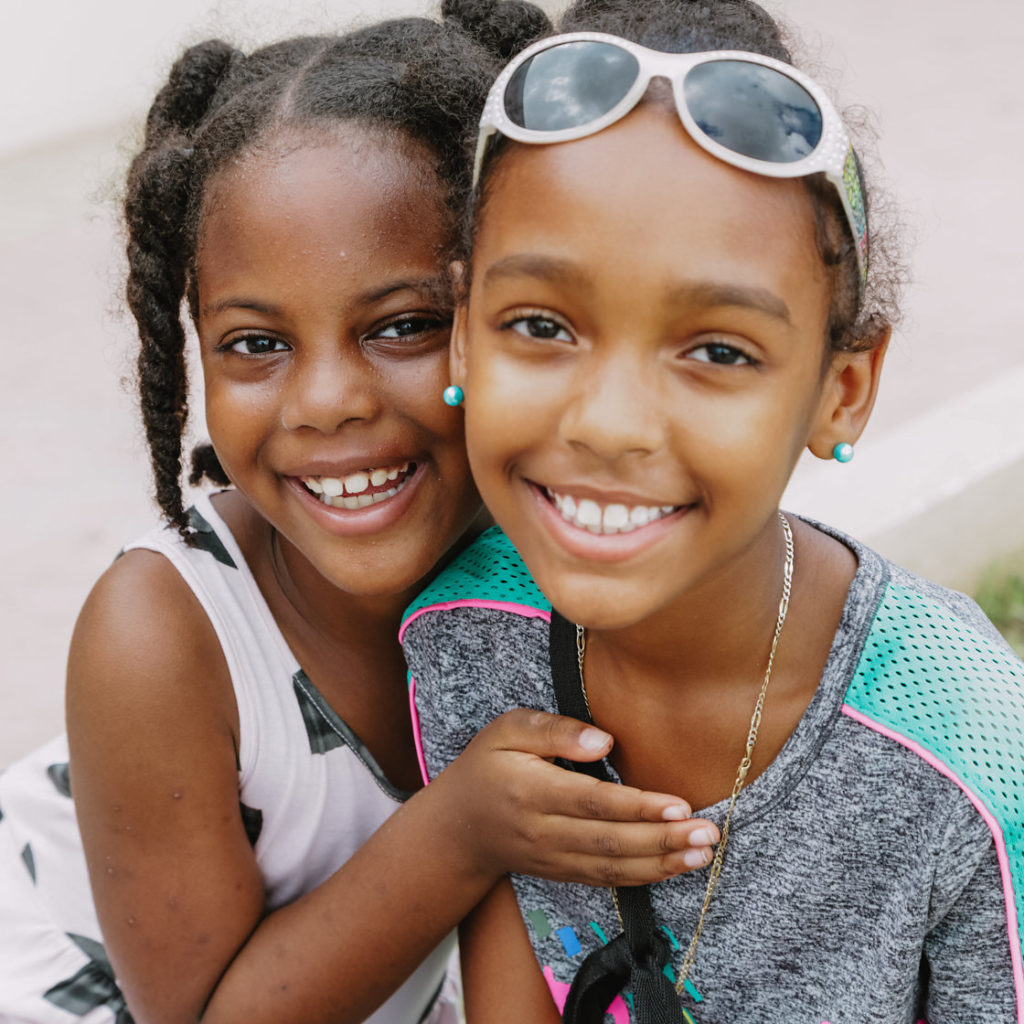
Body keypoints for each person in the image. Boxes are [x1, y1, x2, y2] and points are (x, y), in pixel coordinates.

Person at [0, 6, 725, 1023]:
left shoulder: (575, 549)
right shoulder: (159, 635)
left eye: (405, 325)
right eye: (255, 343)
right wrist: (462, 831)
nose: (326, 400)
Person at [401, 0, 1024, 1021]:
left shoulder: (968, 751)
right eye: (541, 324)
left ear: (843, 388)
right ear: (464, 334)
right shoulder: (465, 633)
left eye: (718, 351)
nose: (609, 423)